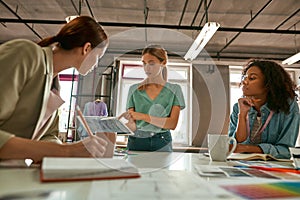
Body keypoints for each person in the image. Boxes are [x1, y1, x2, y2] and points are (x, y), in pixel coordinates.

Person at [0, 16, 111, 163]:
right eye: (98, 57)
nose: (96, 65)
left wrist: (68, 152)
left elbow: (48, 136)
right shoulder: (26, 53)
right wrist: (67, 151)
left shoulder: (54, 85)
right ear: (86, 48)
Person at [228, 59, 300, 159]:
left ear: (268, 84)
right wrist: (242, 115)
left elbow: (286, 151)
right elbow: (234, 145)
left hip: (273, 168)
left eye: (252, 78)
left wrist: (248, 149)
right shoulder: (238, 107)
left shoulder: (287, 106)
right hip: (242, 164)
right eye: (245, 77)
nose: (244, 81)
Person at [120, 45, 185, 152]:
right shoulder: (133, 90)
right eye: (144, 63)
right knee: (134, 169)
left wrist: (142, 116)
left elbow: (172, 124)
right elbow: (133, 126)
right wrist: (116, 127)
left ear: (163, 63)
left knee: (162, 169)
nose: (147, 68)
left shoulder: (175, 89)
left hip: (162, 141)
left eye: (151, 63)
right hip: (137, 140)